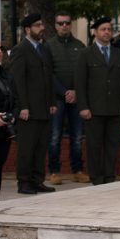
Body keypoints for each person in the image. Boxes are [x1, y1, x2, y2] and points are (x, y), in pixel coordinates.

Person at [75, 17, 120, 185]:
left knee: (112, 145)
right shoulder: (86, 54)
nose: (106, 32)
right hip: (94, 109)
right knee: (94, 146)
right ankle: (96, 178)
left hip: (114, 109)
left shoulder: (119, 55)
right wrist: (83, 107)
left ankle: (109, 176)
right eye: (103, 29)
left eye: (109, 29)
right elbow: (80, 83)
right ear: (95, 32)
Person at [10, 13, 57, 195]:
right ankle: (24, 182)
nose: (41, 28)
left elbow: (49, 78)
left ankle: (37, 180)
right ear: (27, 29)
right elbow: (18, 81)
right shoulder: (20, 50)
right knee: (26, 148)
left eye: (41, 24)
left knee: (40, 147)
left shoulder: (44, 49)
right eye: (37, 25)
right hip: (28, 110)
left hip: (44, 108)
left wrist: (52, 101)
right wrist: (23, 106)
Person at [46, 12, 88, 185]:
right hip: (57, 98)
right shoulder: (48, 46)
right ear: (55, 26)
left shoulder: (80, 46)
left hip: (76, 98)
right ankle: (54, 171)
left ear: (71, 25)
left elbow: (84, 73)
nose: (64, 26)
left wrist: (76, 92)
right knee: (54, 136)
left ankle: (77, 170)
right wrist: (65, 92)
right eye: (60, 23)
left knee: (77, 137)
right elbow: (49, 73)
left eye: (67, 23)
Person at [0, 42, 18, 200]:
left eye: (0, 49)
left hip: (4, 131)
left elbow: (16, 99)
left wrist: (12, 115)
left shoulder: (6, 75)